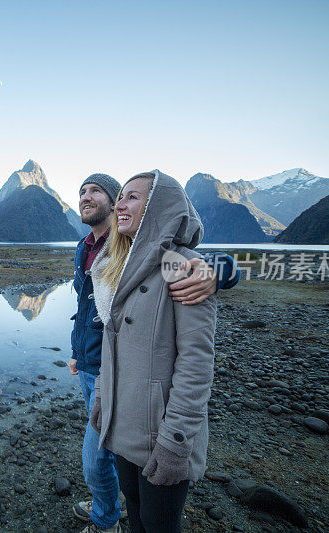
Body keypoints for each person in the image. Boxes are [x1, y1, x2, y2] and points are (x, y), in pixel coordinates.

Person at [70, 173, 237, 533]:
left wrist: (223, 268)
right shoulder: (110, 258)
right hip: (110, 392)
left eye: (128, 197)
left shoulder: (179, 265)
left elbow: (196, 360)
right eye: (82, 191)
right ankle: (108, 509)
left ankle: (103, 518)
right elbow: (99, 325)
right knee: (138, 513)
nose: (118, 205)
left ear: (156, 206)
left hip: (155, 424)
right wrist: (99, 389)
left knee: (147, 511)